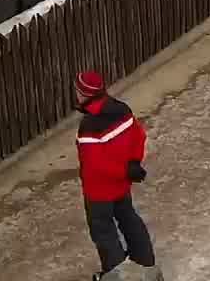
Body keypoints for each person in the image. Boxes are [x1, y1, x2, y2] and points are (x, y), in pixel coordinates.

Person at [75, 70, 161, 281]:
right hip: (122, 186)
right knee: (129, 219)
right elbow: (138, 136)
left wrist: (122, 170)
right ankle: (147, 265)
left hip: (98, 192)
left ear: (84, 94)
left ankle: (116, 275)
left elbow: (95, 165)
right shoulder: (121, 110)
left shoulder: (89, 126)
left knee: (104, 233)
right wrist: (132, 164)